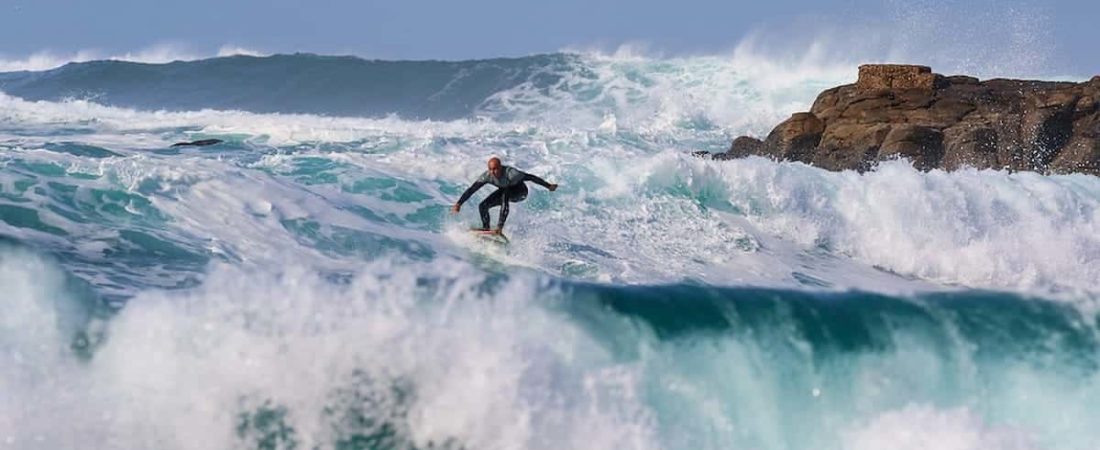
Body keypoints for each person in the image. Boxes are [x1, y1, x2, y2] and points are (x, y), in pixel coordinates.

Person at [451, 157, 558, 233]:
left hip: (520, 192)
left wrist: (548, 186)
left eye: (495, 169)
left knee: (504, 195)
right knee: (483, 206)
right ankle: (486, 228)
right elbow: (472, 189)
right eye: (491, 169)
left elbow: (531, 177)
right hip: (505, 191)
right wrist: (459, 203)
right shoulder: (487, 176)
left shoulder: (512, 173)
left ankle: (499, 228)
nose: (493, 172)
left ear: (501, 167)